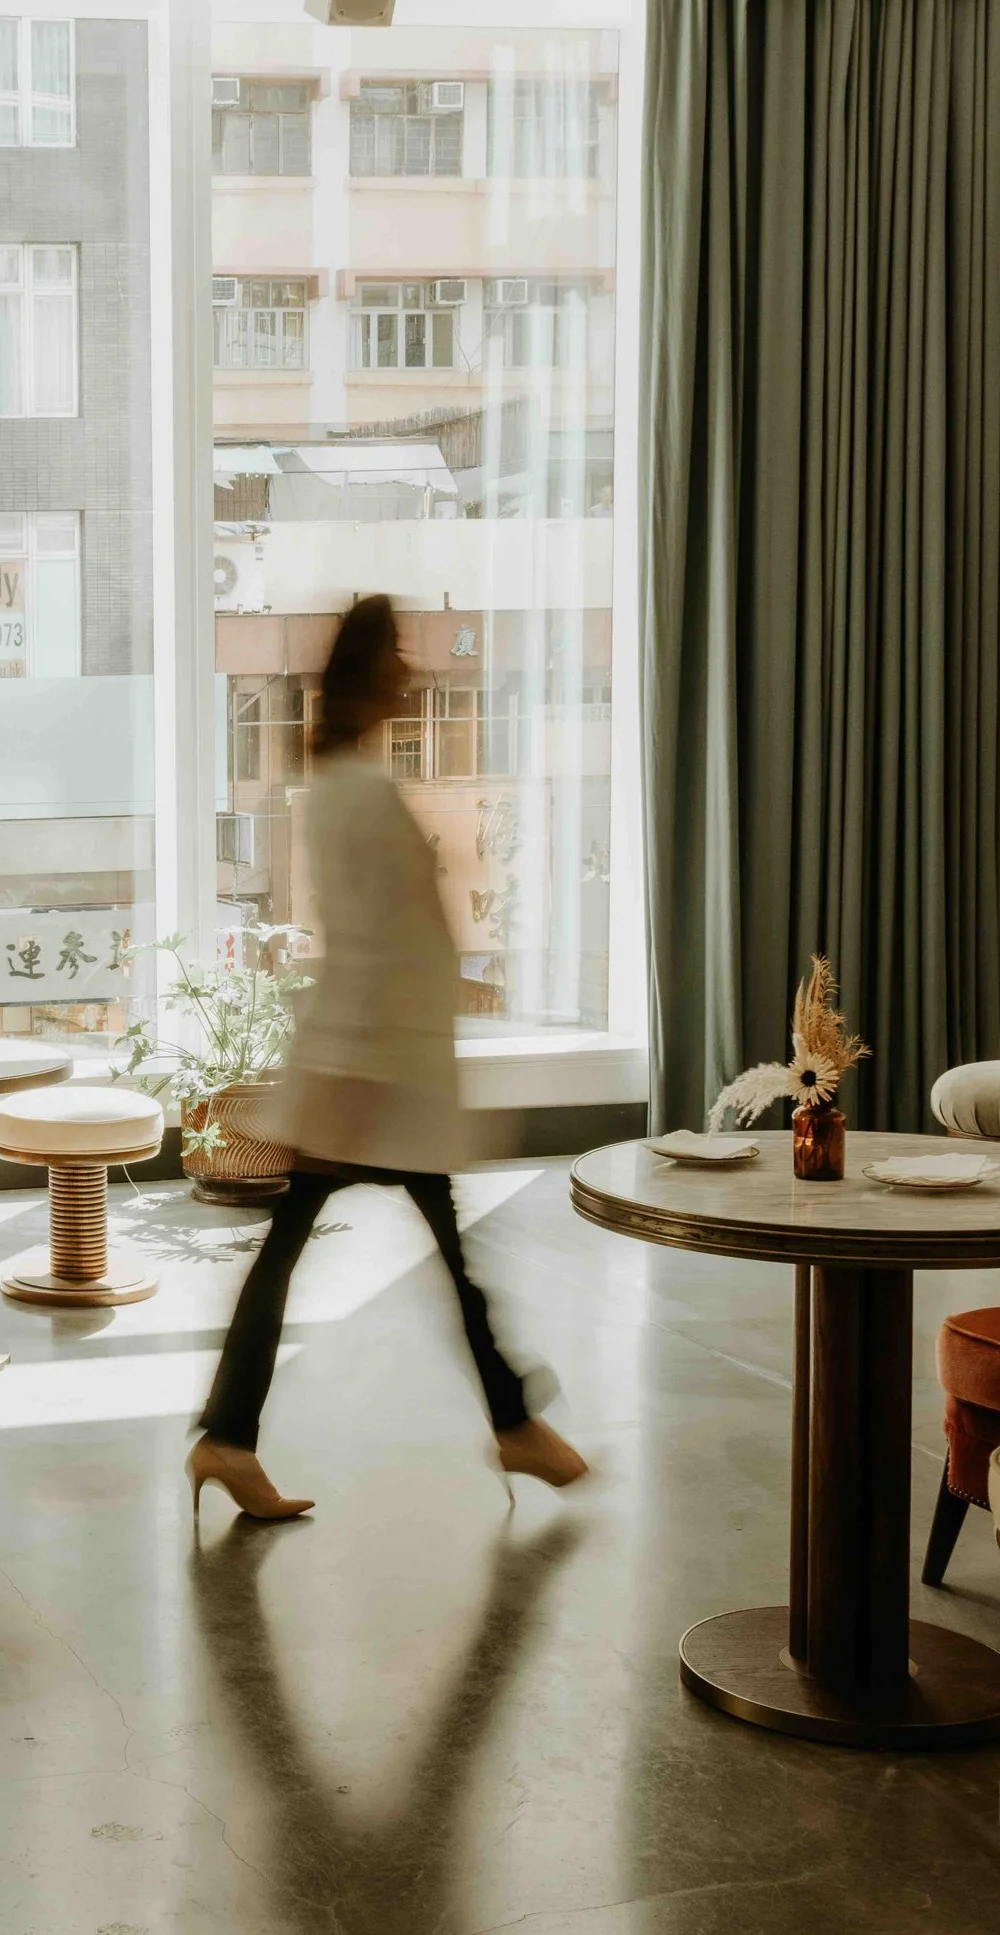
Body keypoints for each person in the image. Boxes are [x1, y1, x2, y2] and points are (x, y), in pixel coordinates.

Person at [188, 595, 589, 1520]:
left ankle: (229, 1436)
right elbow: (379, 949)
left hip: (366, 1070)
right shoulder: (357, 792)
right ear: (372, 671)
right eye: (399, 653)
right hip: (373, 1077)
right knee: (435, 1254)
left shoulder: (342, 781)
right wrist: (376, 1080)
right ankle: (510, 1425)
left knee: (333, 1253)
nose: (412, 670)